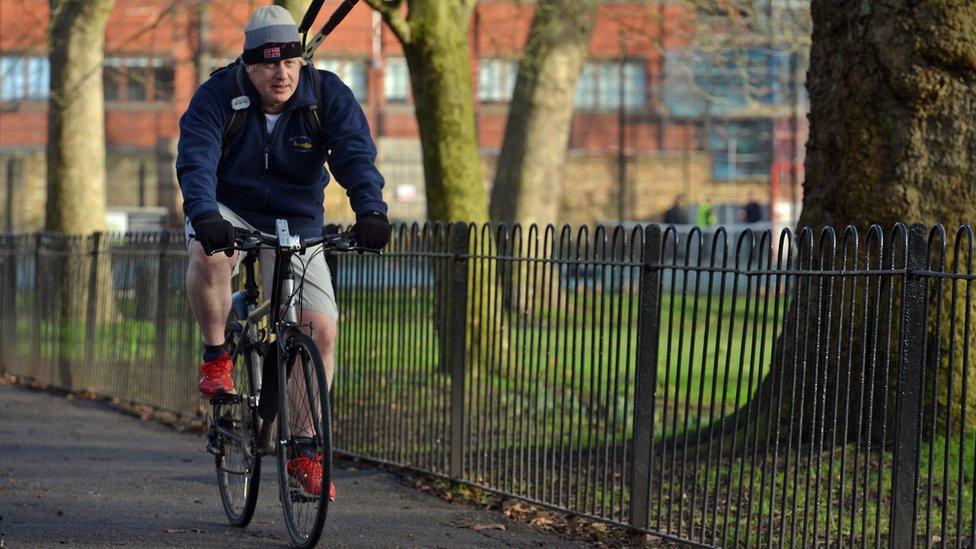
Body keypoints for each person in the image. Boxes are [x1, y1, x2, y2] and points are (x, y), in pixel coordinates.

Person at [176, 5, 390, 501]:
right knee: (208, 259)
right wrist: (205, 214)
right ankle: (215, 356)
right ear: (248, 66)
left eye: (291, 63)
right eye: (270, 64)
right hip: (226, 208)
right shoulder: (216, 95)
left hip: (297, 220)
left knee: (321, 328)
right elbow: (197, 158)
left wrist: (372, 211)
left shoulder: (326, 94)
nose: (282, 74)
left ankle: (306, 453)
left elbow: (355, 153)